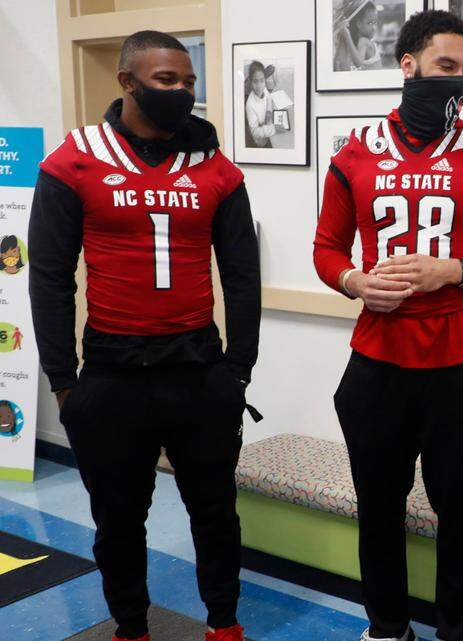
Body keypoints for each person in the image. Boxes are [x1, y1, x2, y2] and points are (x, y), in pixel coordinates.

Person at [312, 10, 463, 641]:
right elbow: (327, 248)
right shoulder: (355, 153)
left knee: (458, 512)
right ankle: (387, 628)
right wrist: (356, 282)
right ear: (407, 65)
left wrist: (453, 271)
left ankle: (456, 630)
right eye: (446, 67)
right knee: (378, 510)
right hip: (377, 362)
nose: (459, 81)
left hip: (458, 365)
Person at [29, 30, 260, 641]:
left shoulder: (215, 167)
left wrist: (239, 369)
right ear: (127, 82)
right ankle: (130, 628)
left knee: (215, 515)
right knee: (119, 521)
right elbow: (49, 278)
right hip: (112, 373)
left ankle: (224, 626)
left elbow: (243, 275)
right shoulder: (74, 159)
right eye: (166, 81)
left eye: (188, 82)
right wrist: (62, 382)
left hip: (199, 369)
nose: (182, 92)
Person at [335, 0, 381, 71]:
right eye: (370, 23)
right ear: (358, 23)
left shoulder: (364, 41)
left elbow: (358, 63)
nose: (374, 27)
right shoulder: (367, 41)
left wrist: (347, 35)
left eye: (375, 23)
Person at [244, 60, 276, 148]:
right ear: (250, 81)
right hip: (261, 142)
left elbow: (268, 98)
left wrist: (268, 113)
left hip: (267, 127)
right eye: (255, 81)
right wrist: (273, 129)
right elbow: (255, 131)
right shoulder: (250, 105)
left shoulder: (264, 89)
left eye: (262, 81)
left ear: (265, 80)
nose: (259, 86)